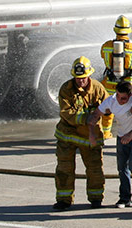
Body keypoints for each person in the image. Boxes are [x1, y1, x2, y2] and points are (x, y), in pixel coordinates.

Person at [53, 56, 108, 210]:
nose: (80, 81)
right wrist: (86, 118)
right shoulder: (66, 89)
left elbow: (108, 108)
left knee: (95, 169)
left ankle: (96, 198)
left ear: (89, 75)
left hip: (89, 137)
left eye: (83, 78)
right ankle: (64, 200)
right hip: (67, 135)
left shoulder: (98, 89)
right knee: (64, 169)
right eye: (77, 78)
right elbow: (66, 113)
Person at [88, 80, 132, 208]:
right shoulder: (112, 101)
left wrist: (130, 134)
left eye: (124, 98)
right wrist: (91, 133)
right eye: (119, 97)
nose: (121, 101)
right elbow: (95, 115)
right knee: (122, 168)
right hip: (122, 137)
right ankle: (125, 197)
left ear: (130, 94)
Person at [99, 15, 132, 138]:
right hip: (129, 85)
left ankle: (106, 133)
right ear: (128, 31)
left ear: (115, 30)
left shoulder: (106, 46)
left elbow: (104, 57)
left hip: (109, 85)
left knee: (107, 109)